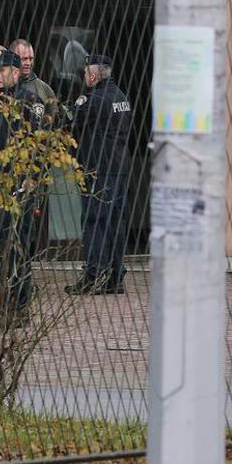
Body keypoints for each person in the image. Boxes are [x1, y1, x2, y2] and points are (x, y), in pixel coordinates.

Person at [0, 47, 51, 318]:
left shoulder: (27, 101)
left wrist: (30, 181)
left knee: (16, 248)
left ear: (14, 72)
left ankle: (19, 307)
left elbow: (38, 145)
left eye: (0, 70)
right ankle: (6, 303)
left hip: (18, 187)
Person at [70, 53, 134, 296]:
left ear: (93, 74)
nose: (85, 76)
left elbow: (71, 122)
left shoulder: (92, 100)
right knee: (116, 222)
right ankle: (115, 276)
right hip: (120, 169)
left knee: (95, 222)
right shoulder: (121, 97)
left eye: (86, 72)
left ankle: (94, 275)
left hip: (99, 169)